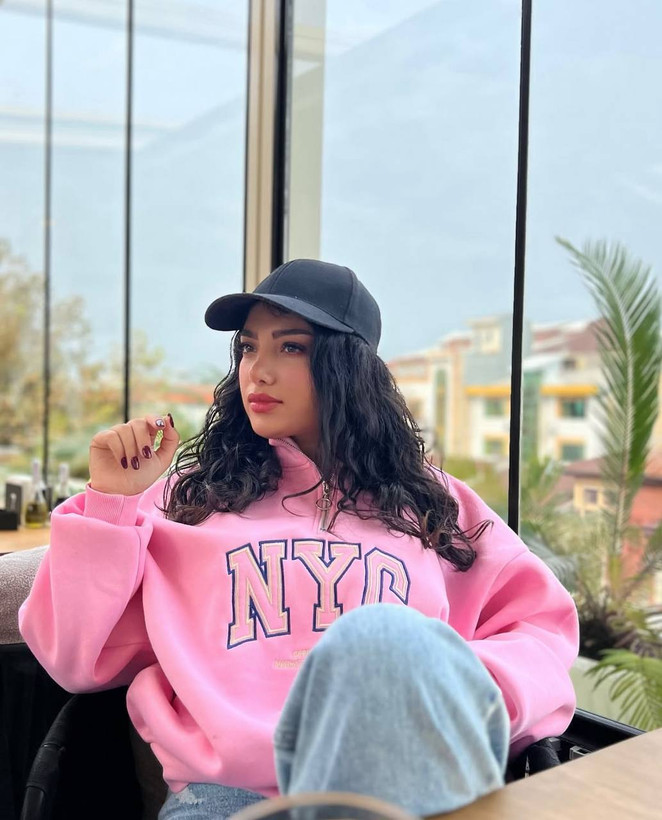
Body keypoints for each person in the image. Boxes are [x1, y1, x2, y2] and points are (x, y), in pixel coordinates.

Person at [19, 259, 579, 819]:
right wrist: (112, 503)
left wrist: (445, 696)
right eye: (248, 348)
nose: (258, 372)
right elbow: (72, 658)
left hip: (391, 789)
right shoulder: (188, 500)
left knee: (385, 638)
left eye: (291, 347)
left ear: (349, 367)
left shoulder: (433, 503)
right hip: (228, 798)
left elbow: (539, 631)